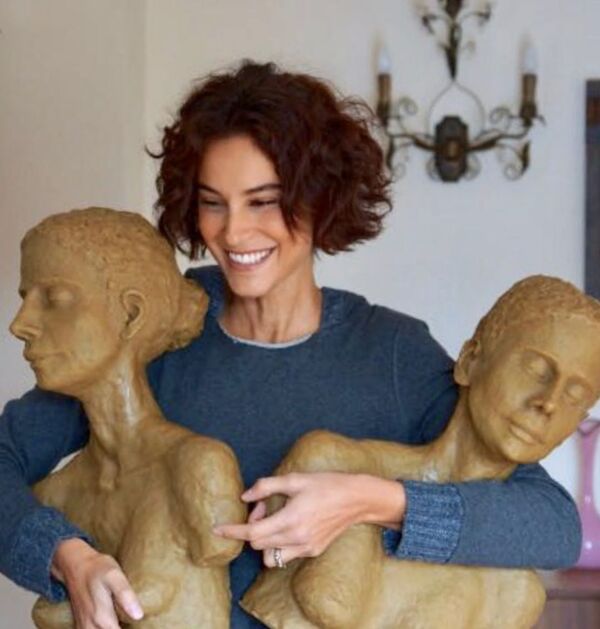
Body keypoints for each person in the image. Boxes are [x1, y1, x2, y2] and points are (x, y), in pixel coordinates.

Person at [0, 61, 582, 629]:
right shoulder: (157, 327)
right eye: (213, 202)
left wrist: (373, 501)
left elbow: (550, 524)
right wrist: (62, 555)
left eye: (263, 201)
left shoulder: (392, 353)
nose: (234, 231)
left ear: (320, 197)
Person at [238, 274, 600, 628]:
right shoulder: (332, 462)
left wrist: (385, 506)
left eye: (575, 396)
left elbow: (562, 532)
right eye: (535, 370)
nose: (548, 403)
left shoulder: (515, 592)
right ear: (470, 360)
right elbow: (276, 572)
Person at [12, 208, 245, 629]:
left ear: (131, 314)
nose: (20, 325)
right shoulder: (54, 496)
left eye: (54, 299)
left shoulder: (196, 466)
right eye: (24, 298)